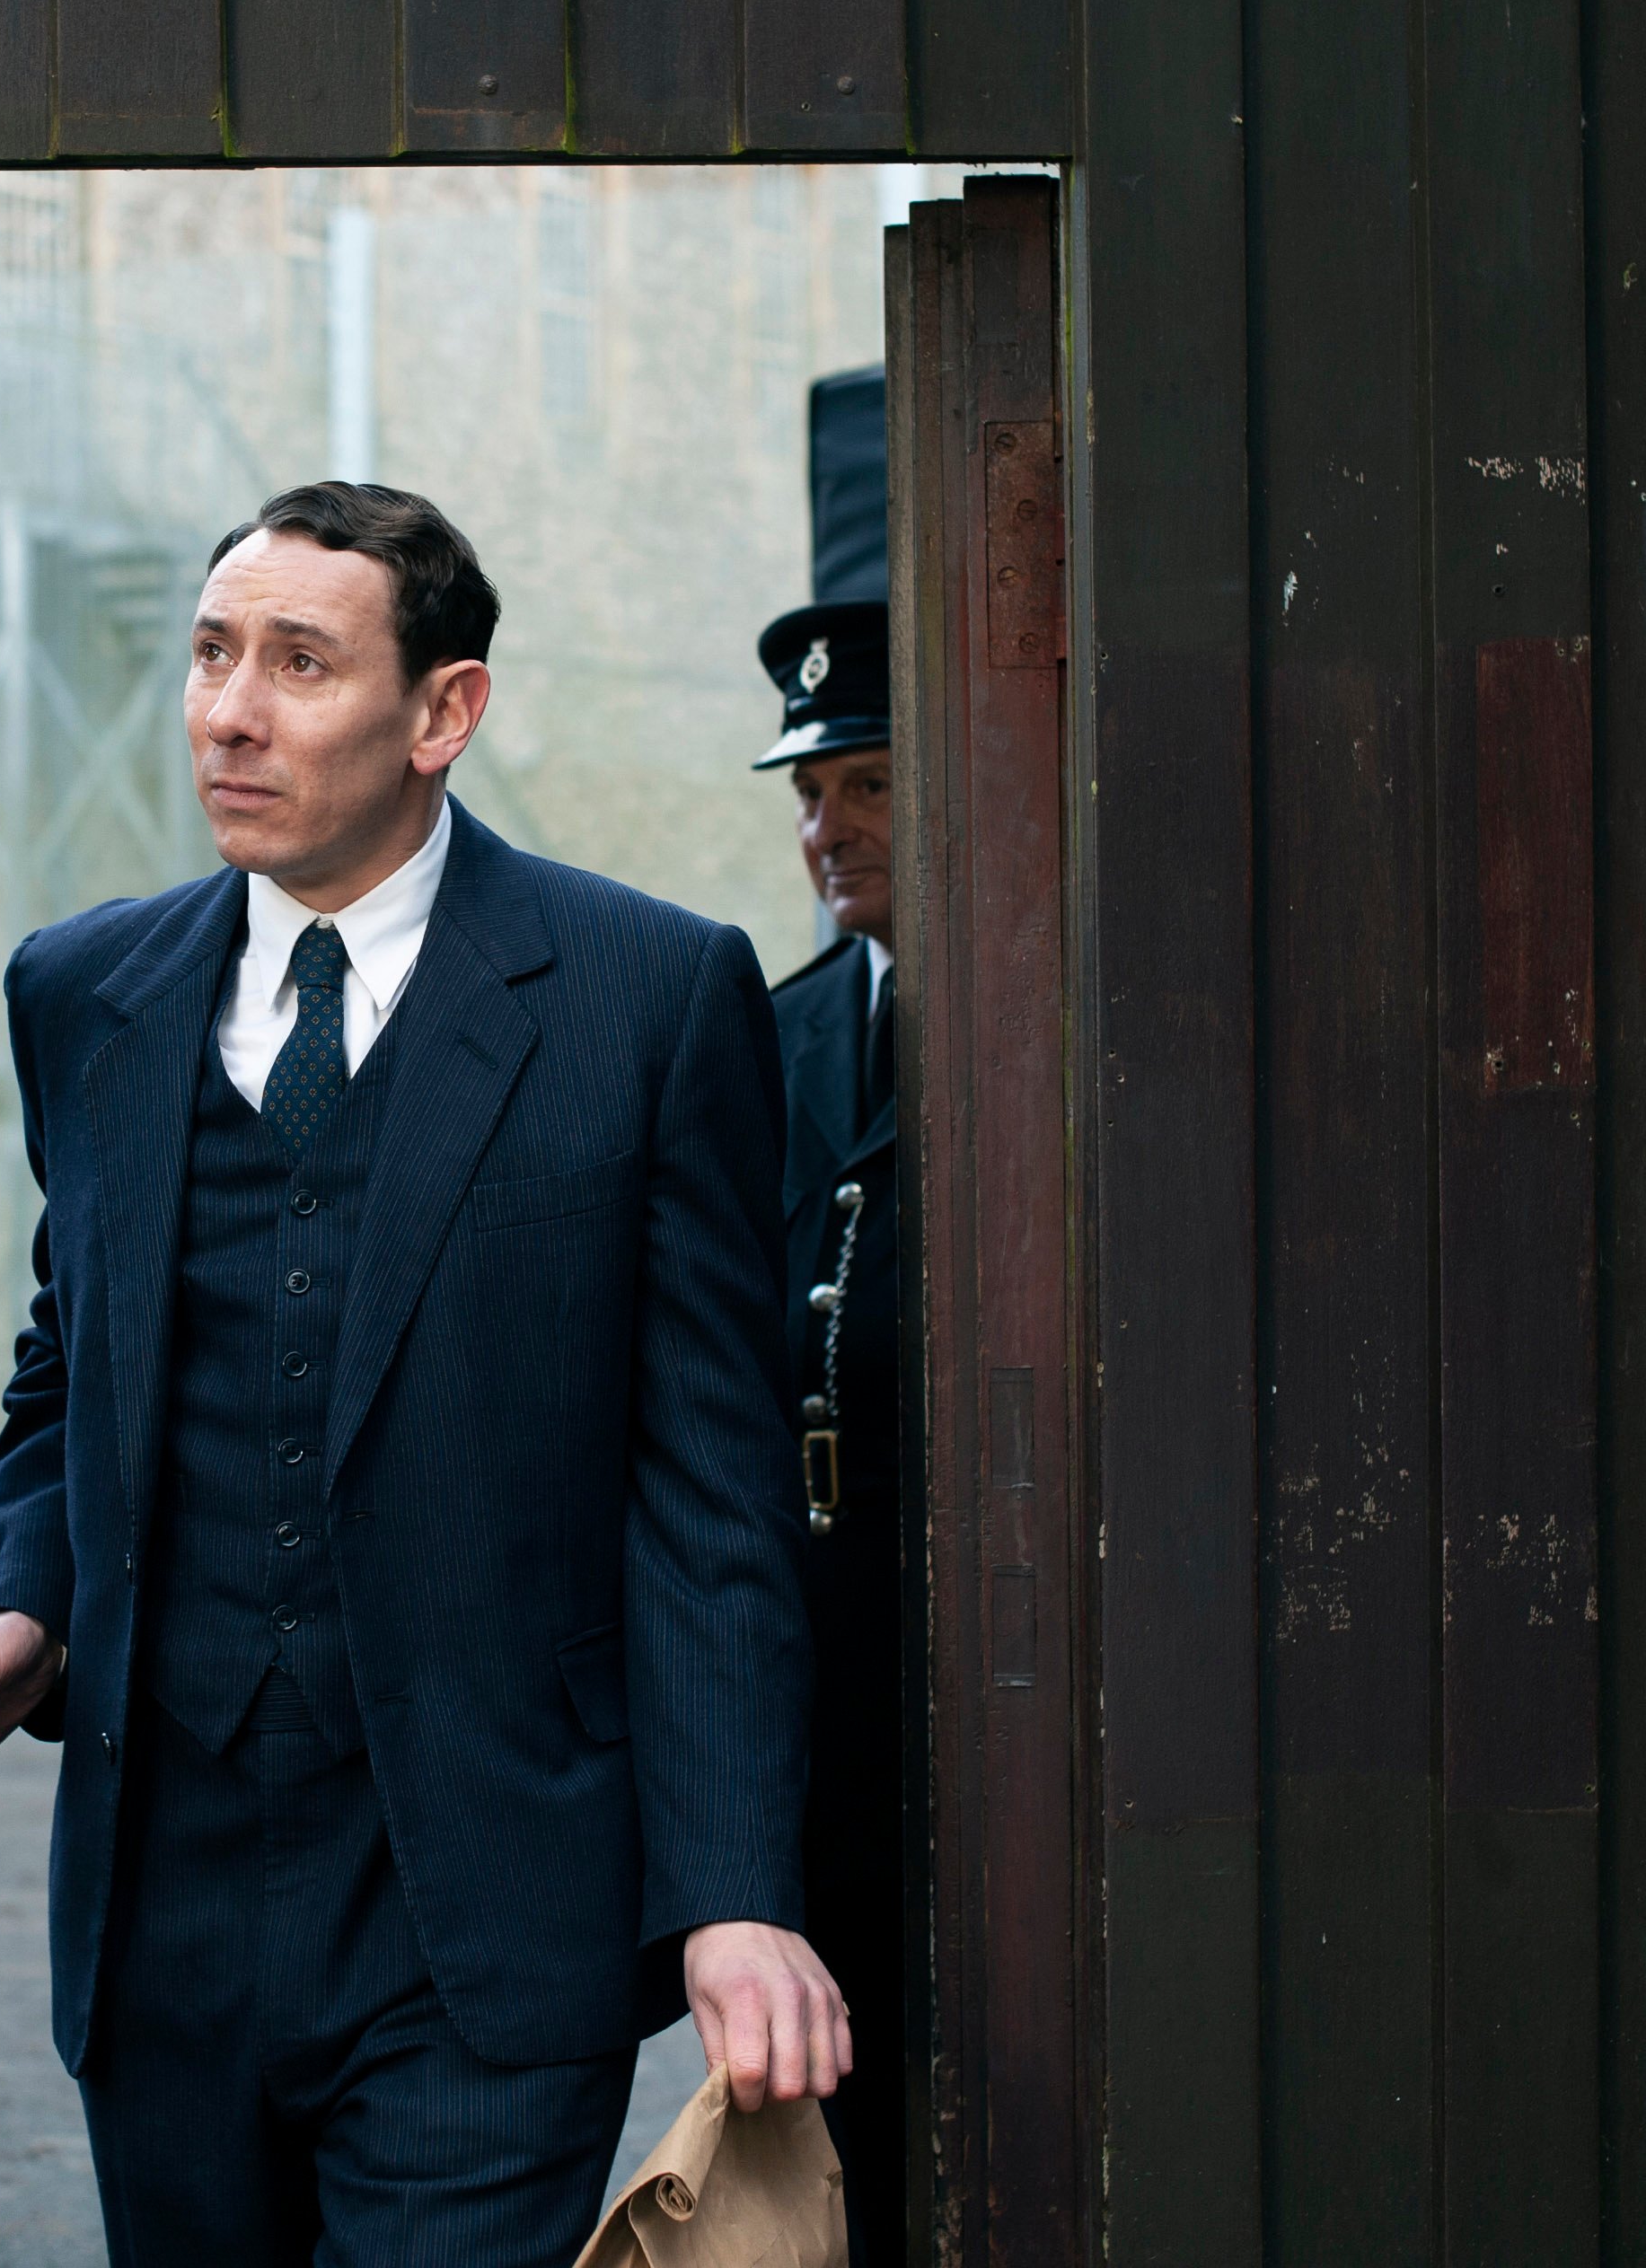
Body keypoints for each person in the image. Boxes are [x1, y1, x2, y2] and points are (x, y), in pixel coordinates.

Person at [0, 480, 846, 2266]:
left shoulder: (645, 998)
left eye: (297, 663)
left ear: (441, 714)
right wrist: (27, 1600)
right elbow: (62, 1369)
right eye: (206, 655)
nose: (226, 710)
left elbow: (708, 1489)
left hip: (482, 1909)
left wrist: (730, 1898)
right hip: (159, 1912)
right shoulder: (81, 992)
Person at [748, 363, 904, 2267]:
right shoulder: (768, 1044)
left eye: (866, 782)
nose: (822, 826)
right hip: (811, 1728)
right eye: (810, 787)